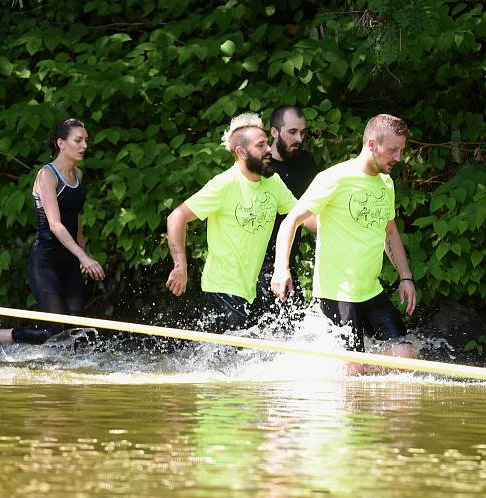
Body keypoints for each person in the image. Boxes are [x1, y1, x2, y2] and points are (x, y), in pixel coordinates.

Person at [271, 114, 417, 372]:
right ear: (371, 144)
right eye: (393, 150)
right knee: (355, 370)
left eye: (401, 150)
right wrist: (281, 268)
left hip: (371, 290)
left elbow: (390, 230)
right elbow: (290, 222)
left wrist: (405, 276)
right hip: (336, 294)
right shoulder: (334, 178)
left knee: (404, 357)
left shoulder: (386, 182)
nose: (398, 157)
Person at [165, 112, 303, 333]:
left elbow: (301, 216)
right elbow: (176, 217)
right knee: (238, 356)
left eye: (267, 143)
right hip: (223, 285)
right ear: (241, 152)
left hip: (253, 286)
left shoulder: (273, 182)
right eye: (260, 146)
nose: (269, 149)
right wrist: (180, 265)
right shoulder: (224, 184)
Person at [0, 118, 105, 345]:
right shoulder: (47, 175)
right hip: (45, 263)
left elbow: (76, 218)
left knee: (74, 333)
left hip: (70, 262)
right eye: (78, 140)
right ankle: (0, 336)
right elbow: (55, 224)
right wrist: (83, 256)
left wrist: (82, 253)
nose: (84, 146)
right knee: (55, 332)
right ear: (61, 143)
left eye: (86, 141)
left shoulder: (79, 175)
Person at [254, 105, 319, 317]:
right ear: (274, 132)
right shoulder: (259, 167)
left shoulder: (307, 163)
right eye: (292, 132)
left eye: (302, 132)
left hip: (287, 263)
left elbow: (317, 213)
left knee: (295, 332)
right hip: (253, 265)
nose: (299, 138)